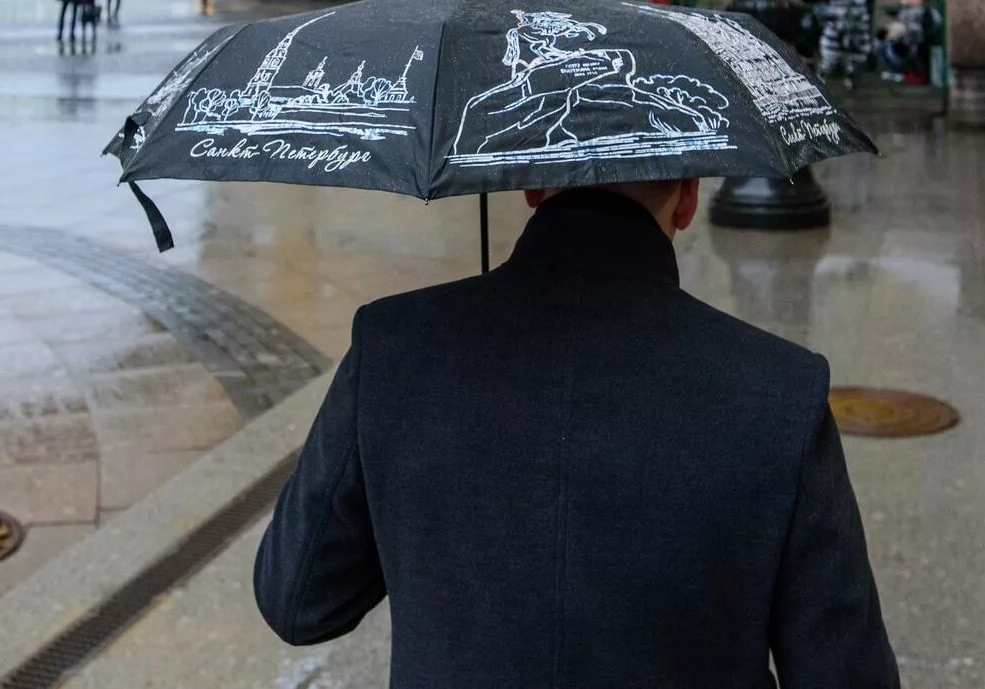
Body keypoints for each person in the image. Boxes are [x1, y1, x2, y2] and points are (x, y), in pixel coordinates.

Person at [254, 179, 898, 685]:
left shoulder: (395, 345)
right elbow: (844, 672)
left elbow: (299, 600)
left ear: (532, 188)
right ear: (688, 198)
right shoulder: (780, 389)